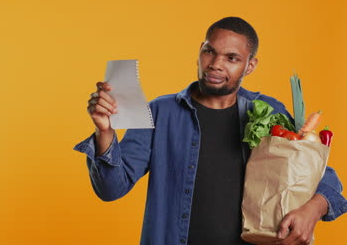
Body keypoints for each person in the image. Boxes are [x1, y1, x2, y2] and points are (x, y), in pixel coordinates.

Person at [74, 17, 346, 245]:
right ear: (200, 51)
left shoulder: (268, 112)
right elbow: (111, 188)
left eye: (232, 57)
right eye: (209, 51)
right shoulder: (159, 112)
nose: (216, 63)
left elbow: (324, 176)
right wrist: (105, 132)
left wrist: (313, 210)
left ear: (249, 65)